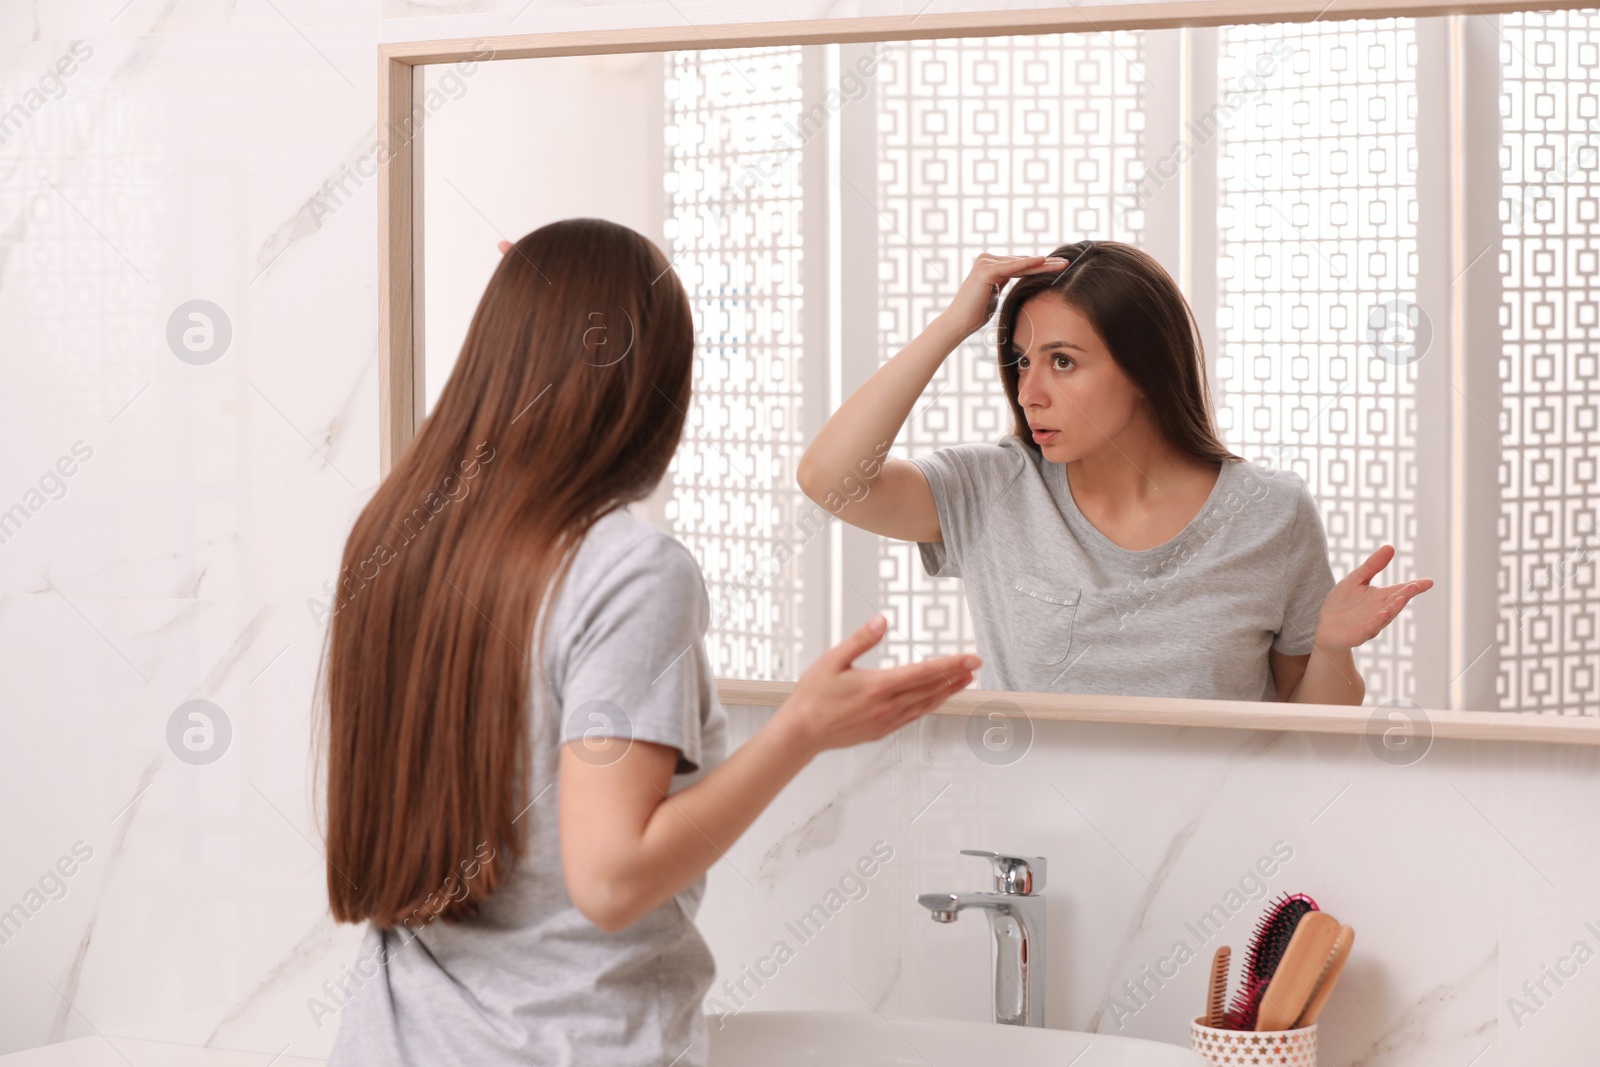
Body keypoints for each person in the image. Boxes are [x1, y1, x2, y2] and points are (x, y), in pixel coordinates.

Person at [320, 218, 978, 1066]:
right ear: (652, 384)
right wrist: (800, 730)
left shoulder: (397, 539)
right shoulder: (628, 571)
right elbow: (611, 880)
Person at [796, 240, 1432, 702]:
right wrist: (955, 322)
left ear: (1145, 367)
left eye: (1063, 362)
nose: (1029, 393)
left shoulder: (1270, 512)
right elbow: (829, 478)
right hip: (1040, 858)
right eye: (1020, 361)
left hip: (1221, 854)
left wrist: (1331, 647)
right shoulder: (994, 489)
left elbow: (1306, 727)